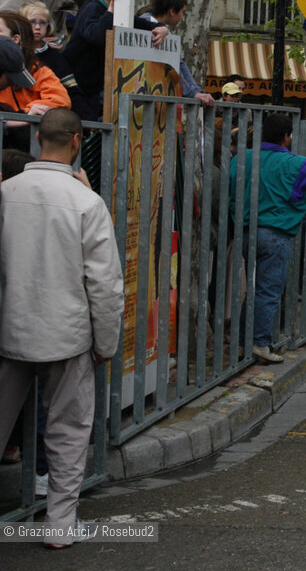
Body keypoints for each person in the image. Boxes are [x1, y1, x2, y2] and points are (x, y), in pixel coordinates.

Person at [0, 108, 124, 546]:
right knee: (68, 433)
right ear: (76, 142)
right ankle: (60, 525)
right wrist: (106, 342)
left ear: (38, 141)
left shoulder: (5, 192)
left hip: (10, 329)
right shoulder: (87, 203)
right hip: (68, 334)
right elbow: (105, 285)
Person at [230, 113, 306, 363]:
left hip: (245, 233)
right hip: (275, 234)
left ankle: (243, 341)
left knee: (252, 290)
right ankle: (260, 343)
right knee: (268, 291)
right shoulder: (297, 163)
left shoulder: (241, 158)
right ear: (287, 137)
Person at [63, 0, 167, 120]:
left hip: (98, 87)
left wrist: (162, 28)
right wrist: (111, 9)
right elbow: (99, 36)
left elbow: (143, 24)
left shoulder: (119, 13)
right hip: (83, 87)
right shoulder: (92, 9)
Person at [19, 1, 80, 98]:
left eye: (42, 22)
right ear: (21, 24)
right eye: (32, 22)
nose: (38, 27)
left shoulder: (54, 57)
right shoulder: (15, 52)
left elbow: (72, 90)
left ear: (48, 26)